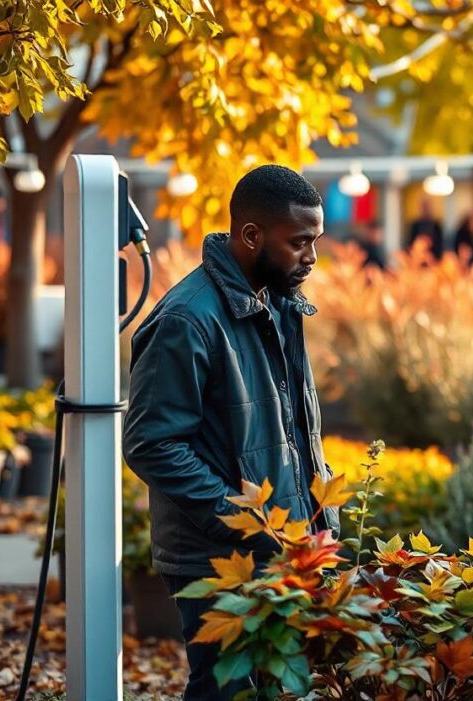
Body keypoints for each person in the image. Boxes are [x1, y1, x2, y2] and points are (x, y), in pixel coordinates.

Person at [123, 165, 339, 701]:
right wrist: (246, 521)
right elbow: (152, 443)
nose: (311, 257)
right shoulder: (187, 319)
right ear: (250, 236)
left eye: (315, 241)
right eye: (300, 243)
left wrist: (318, 521)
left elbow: (292, 428)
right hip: (217, 556)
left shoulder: (278, 302)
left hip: (283, 544)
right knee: (224, 691)